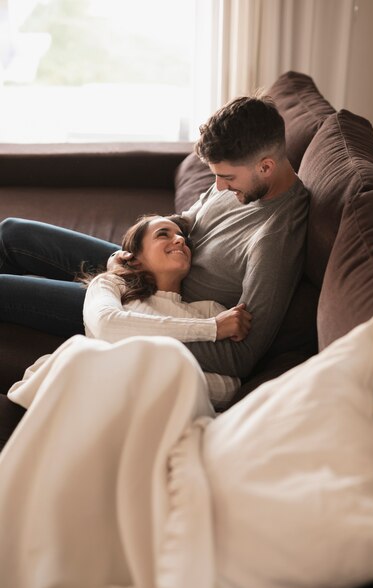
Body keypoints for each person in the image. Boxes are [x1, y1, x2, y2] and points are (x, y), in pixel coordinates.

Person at [0, 95, 309, 380]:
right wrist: (136, 245)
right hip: (152, 264)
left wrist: (140, 330)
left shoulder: (274, 242)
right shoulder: (244, 179)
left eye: (227, 178)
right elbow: (191, 218)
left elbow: (240, 357)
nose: (220, 186)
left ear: (265, 166)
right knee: (13, 232)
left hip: (150, 308)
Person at [82, 213, 252, 409]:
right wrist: (210, 328)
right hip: (98, 396)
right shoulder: (110, 284)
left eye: (184, 238)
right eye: (163, 234)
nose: (180, 240)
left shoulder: (210, 310)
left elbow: (230, 386)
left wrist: (153, 376)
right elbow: (107, 325)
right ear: (134, 258)